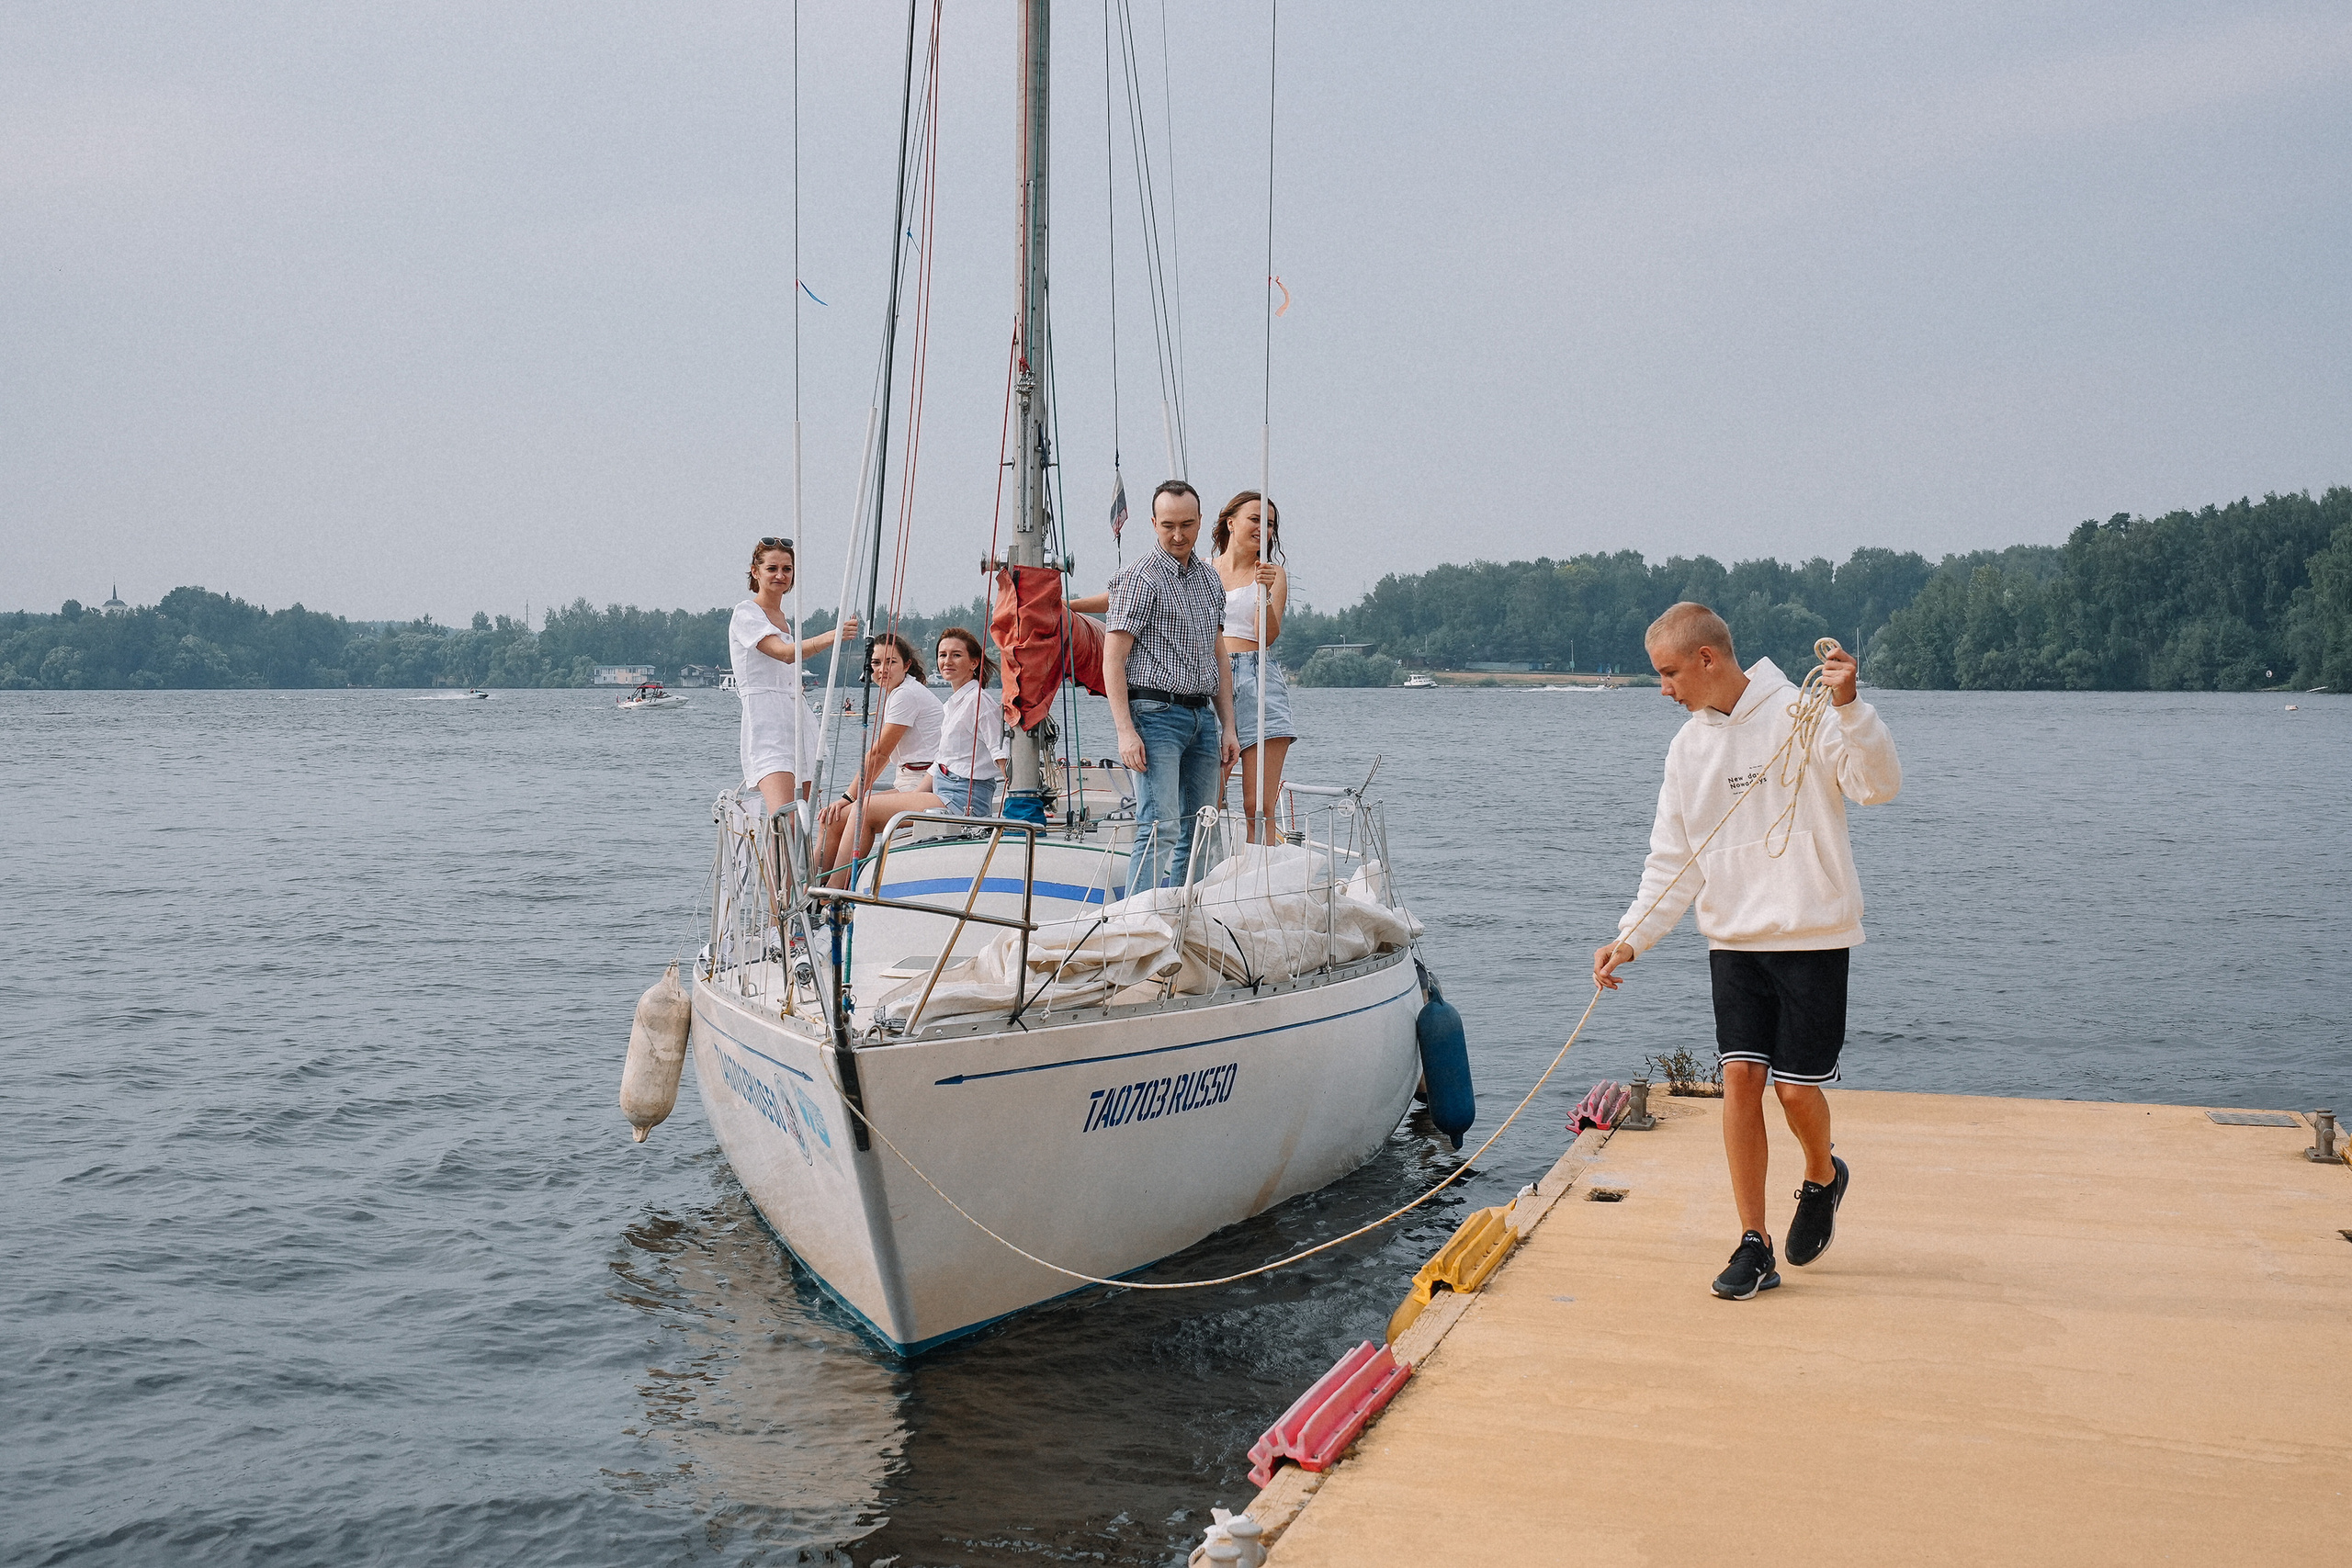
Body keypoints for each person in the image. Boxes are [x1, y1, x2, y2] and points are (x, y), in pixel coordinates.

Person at [1590, 603, 1901, 1301]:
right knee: (1740, 1085)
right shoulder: (1686, 750)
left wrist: (1850, 705)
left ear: (1707, 658)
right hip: (1732, 940)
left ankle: (1823, 1174)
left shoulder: (1804, 712)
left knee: (1796, 1089)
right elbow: (1673, 860)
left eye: (1669, 672)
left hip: (1810, 936)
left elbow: (1878, 785)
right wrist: (1631, 935)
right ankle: (1753, 1243)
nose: (1663, 688)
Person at [1103, 479, 1239, 897]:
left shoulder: (1209, 580)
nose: (1178, 535)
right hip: (1154, 716)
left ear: (1201, 522)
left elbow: (1218, 656)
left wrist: (1228, 727)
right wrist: (1125, 731)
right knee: (1159, 825)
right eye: (1167, 526)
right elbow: (1113, 658)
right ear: (1153, 523)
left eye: (1187, 524)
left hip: (1202, 717)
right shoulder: (1138, 578)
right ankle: (1136, 922)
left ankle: (1184, 920)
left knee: (1202, 827)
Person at [729, 537, 856, 818]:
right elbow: (785, 654)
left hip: (796, 718)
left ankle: (803, 863)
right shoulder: (746, 613)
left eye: (787, 569)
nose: (780, 575)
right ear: (755, 571)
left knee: (803, 816)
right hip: (766, 722)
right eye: (772, 568)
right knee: (784, 817)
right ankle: (778, 862)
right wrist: (831, 636)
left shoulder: (784, 618)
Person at [815, 632, 943, 886]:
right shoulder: (901, 692)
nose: (882, 669)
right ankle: (820, 891)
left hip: (925, 783)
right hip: (910, 779)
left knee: (839, 817)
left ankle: (828, 895)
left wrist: (848, 797)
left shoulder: (906, 695)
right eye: (876, 663)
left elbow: (880, 754)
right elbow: (882, 757)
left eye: (890, 662)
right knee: (833, 821)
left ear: (906, 665)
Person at [1212, 491, 1293, 843]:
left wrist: (1265, 591)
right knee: (1206, 800)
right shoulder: (1202, 570)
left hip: (1258, 678)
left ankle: (1260, 884)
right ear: (1231, 523)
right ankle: (1198, 878)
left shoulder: (1273, 575)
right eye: (1256, 519)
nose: (1264, 528)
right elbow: (1131, 593)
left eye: (1270, 523)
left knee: (1257, 805)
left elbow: (1267, 635)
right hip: (1210, 678)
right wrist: (1071, 604)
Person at [929, 626, 1006, 818]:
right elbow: (941, 761)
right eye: (942, 655)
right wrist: (912, 798)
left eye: (956, 655)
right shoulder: (952, 705)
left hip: (963, 798)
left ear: (974, 663)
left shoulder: (978, 701)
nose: (947, 661)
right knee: (861, 809)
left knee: (863, 811)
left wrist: (1021, 801)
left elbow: (1001, 752)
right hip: (944, 789)